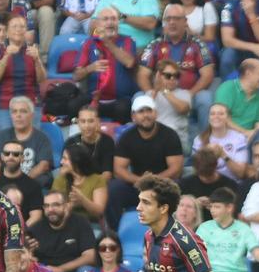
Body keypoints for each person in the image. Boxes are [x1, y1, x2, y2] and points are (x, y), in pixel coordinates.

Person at [104, 94, 183, 229]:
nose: (146, 115)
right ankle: (115, 233)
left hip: (163, 185)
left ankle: (173, 232)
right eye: (141, 111)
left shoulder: (169, 135)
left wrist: (154, 181)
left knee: (179, 186)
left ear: (155, 113)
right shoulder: (127, 137)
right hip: (137, 185)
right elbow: (119, 169)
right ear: (133, 116)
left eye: (149, 110)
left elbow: (176, 169)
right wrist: (141, 181)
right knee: (114, 189)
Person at [196, 186, 259, 272]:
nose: (212, 210)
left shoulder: (244, 229)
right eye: (211, 207)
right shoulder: (204, 228)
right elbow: (195, 251)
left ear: (229, 208)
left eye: (217, 207)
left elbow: (255, 249)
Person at [73, 7, 139, 121]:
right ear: (98, 23)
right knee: (73, 106)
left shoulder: (127, 41)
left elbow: (129, 63)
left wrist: (107, 42)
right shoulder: (89, 43)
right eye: (105, 19)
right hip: (94, 100)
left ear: (118, 22)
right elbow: (76, 76)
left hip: (120, 100)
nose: (110, 22)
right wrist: (90, 68)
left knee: (123, 109)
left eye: (113, 19)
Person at [51, 142, 106, 224]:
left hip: (90, 223)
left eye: (65, 158)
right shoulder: (60, 179)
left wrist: (82, 200)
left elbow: (99, 212)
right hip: (65, 223)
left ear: (76, 160)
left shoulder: (97, 180)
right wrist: (72, 204)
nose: (61, 162)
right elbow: (54, 208)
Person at [194, 104, 250, 182]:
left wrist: (223, 154)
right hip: (207, 182)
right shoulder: (199, 139)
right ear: (208, 118)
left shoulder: (239, 138)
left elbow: (241, 173)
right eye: (212, 114)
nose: (216, 116)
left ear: (228, 118)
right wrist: (207, 155)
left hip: (232, 183)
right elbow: (197, 171)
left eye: (221, 113)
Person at [215, 58, 259, 138]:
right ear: (248, 73)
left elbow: (258, 122)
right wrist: (245, 132)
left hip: (248, 138)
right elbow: (222, 118)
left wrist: (256, 133)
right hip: (226, 136)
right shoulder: (227, 88)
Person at [0, 139, 44, 226]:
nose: (10, 157)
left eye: (15, 154)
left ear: (22, 158)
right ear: (2, 156)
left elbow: (36, 216)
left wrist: (20, 231)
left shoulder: (33, 185)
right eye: (7, 153)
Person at [64, 105, 114, 178]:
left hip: (100, 182)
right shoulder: (71, 142)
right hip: (76, 181)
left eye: (91, 121)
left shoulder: (107, 142)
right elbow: (65, 170)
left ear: (98, 122)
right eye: (83, 121)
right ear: (78, 123)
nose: (86, 126)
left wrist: (89, 184)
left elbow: (107, 174)